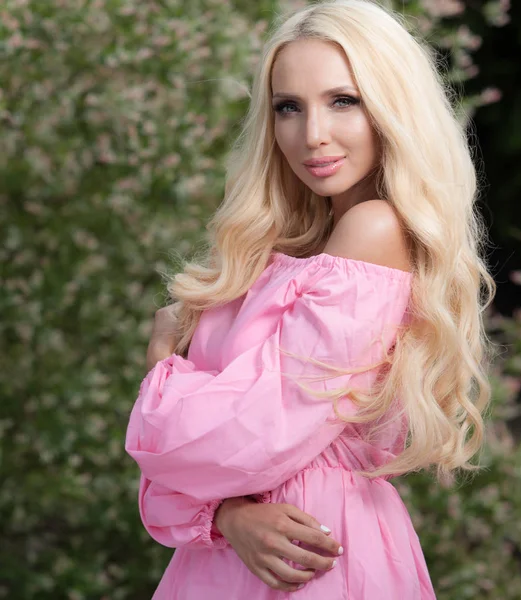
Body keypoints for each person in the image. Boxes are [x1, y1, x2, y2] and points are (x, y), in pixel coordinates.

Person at [125, 0, 496, 598]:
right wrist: (228, 516)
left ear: (391, 109)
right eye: (288, 108)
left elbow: (234, 438)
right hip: (242, 551)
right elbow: (203, 453)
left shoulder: (374, 229)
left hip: (316, 555)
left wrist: (162, 365)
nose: (312, 134)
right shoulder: (290, 247)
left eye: (342, 101)